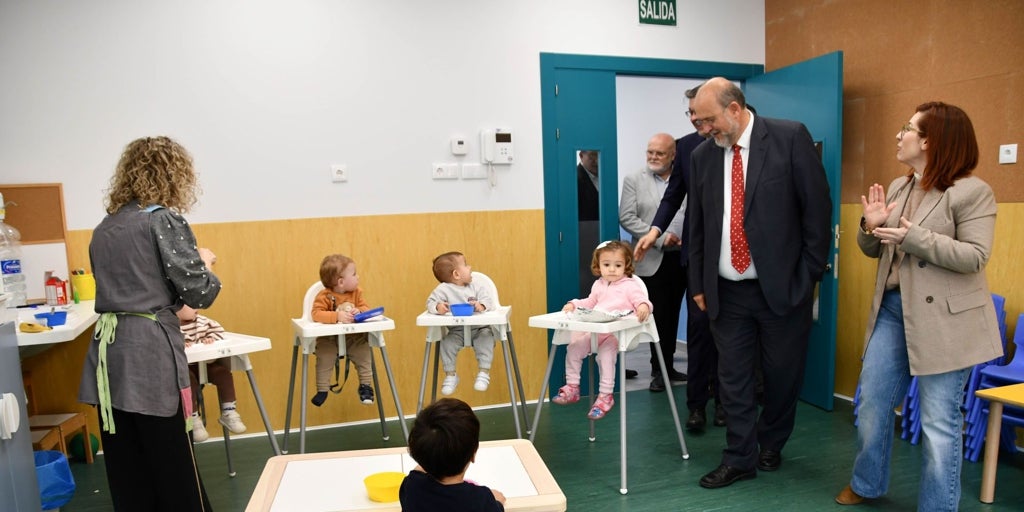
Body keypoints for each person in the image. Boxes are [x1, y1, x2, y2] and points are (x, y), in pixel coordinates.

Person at [835, 102, 1003, 510]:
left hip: (946, 321)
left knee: (939, 423)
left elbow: (975, 256)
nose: (899, 135)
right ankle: (867, 483)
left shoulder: (972, 192)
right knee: (871, 404)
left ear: (930, 141)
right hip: (893, 311)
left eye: (907, 128)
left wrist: (914, 238)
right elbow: (875, 248)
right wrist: (869, 226)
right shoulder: (899, 186)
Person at [684, 77, 832, 489]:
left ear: (735, 109)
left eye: (708, 120)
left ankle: (772, 441)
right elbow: (698, 224)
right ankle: (739, 457)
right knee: (732, 378)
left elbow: (817, 211)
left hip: (783, 288)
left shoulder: (789, 138)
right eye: (697, 121)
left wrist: (808, 275)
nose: (703, 129)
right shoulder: (702, 156)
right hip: (726, 290)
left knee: (782, 375)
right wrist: (698, 283)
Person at [78, 136, 221, 510]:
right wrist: (205, 262)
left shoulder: (104, 228)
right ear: (175, 176)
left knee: (128, 467)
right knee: (173, 463)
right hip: (150, 354)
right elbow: (200, 293)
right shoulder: (162, 221)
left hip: (110, 354)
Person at [635, 84, 725, 430]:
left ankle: (725, 403)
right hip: (698, 255)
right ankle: (697, 405)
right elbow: (673, 196)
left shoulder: (736, 144)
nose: (695, 120)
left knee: (728, 336)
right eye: (691, 113)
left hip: (736, 258)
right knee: (699, 331)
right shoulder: (686, 147)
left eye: (699, 114)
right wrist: (654, 231)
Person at [618, 132, 688, 392]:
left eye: (660, 153)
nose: (653, 157)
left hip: (683, 257)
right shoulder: (634, 179)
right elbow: (627, 217)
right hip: (651, 259)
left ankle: (667, 367)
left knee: (674, 314)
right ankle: (658, 371)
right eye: (650, 152)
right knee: (658, 317)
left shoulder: (686, 179)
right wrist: (659, 238)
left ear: (673, 156)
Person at [552, 240, 653, 420]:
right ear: (598, 266)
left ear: (626, 265)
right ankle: (572, 387)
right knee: (573, 349)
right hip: (597, 331)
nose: (612, 269)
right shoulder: (599, 284)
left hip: (616, 334)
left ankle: (606, 396)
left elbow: (640, 300)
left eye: (618, 265)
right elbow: (590, 302)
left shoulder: (630, 285)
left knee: (605, 358)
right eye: (607, 265)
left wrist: (644, 306)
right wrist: (574, 304)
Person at [399, 398, 506, 511]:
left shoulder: (411, 486)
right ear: (473, 455)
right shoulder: (481, 499)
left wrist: (428, 456)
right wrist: (498, 503)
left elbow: (418, 472)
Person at [426, 251, 497, 395]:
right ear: (456, 274)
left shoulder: (476, 286)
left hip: (479, 328)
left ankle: (483, 372)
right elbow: (430, 303)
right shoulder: (443, 290)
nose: (470, 267)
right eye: (465, 265)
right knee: (446, 344)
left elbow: (488, 300)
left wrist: (481, 305)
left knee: (486, 338)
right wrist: (438, 307)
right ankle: (451, 375)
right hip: (456, 331)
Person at [310, 253, 376, 407]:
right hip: (330, 338)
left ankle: (365, 385)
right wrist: (336, 316)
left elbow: (365, 307)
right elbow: (316, 314)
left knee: (363, 352)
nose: (358, 277)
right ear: (341, 282)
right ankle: (322, 389)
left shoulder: (357, 293)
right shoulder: (325, 296)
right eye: (354, 274)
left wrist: (359, 311)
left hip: (353, 336)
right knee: (324, 356)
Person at [177, 305, 246, 442]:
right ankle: (193, 419)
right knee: (187, 380)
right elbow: (166, 341)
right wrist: (180, 343)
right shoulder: (170, 326)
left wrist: (210, 339)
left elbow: (219, 332)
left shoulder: (204, 322)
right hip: (185, 368)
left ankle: (229, 412)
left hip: (207, 365)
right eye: (190, 305)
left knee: (223, 374)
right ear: (176, 307)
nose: (196, 307)